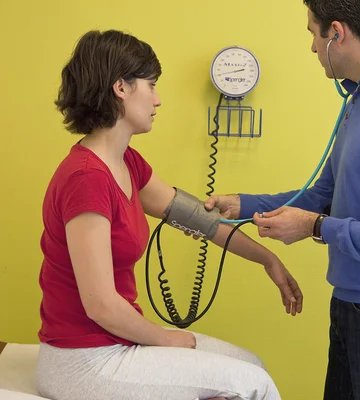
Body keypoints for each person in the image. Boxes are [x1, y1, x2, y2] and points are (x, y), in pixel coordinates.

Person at [204, 1, 360, 399]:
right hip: (355, 303)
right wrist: (244, 204)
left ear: (336, 33)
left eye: (312, 33)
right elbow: (325, 195)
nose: (311, 47)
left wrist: (313, 227)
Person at [35, 29, 303, 400]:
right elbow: (101, 305)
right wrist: (166, 339)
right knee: (254, 387)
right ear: (121, 87)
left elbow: (201, 221)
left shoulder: (127, 163)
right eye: (151, 86)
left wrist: (266, 258)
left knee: (251, 366)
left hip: (117, 344)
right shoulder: (87, 178)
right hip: (83, 360)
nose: (158, 100)